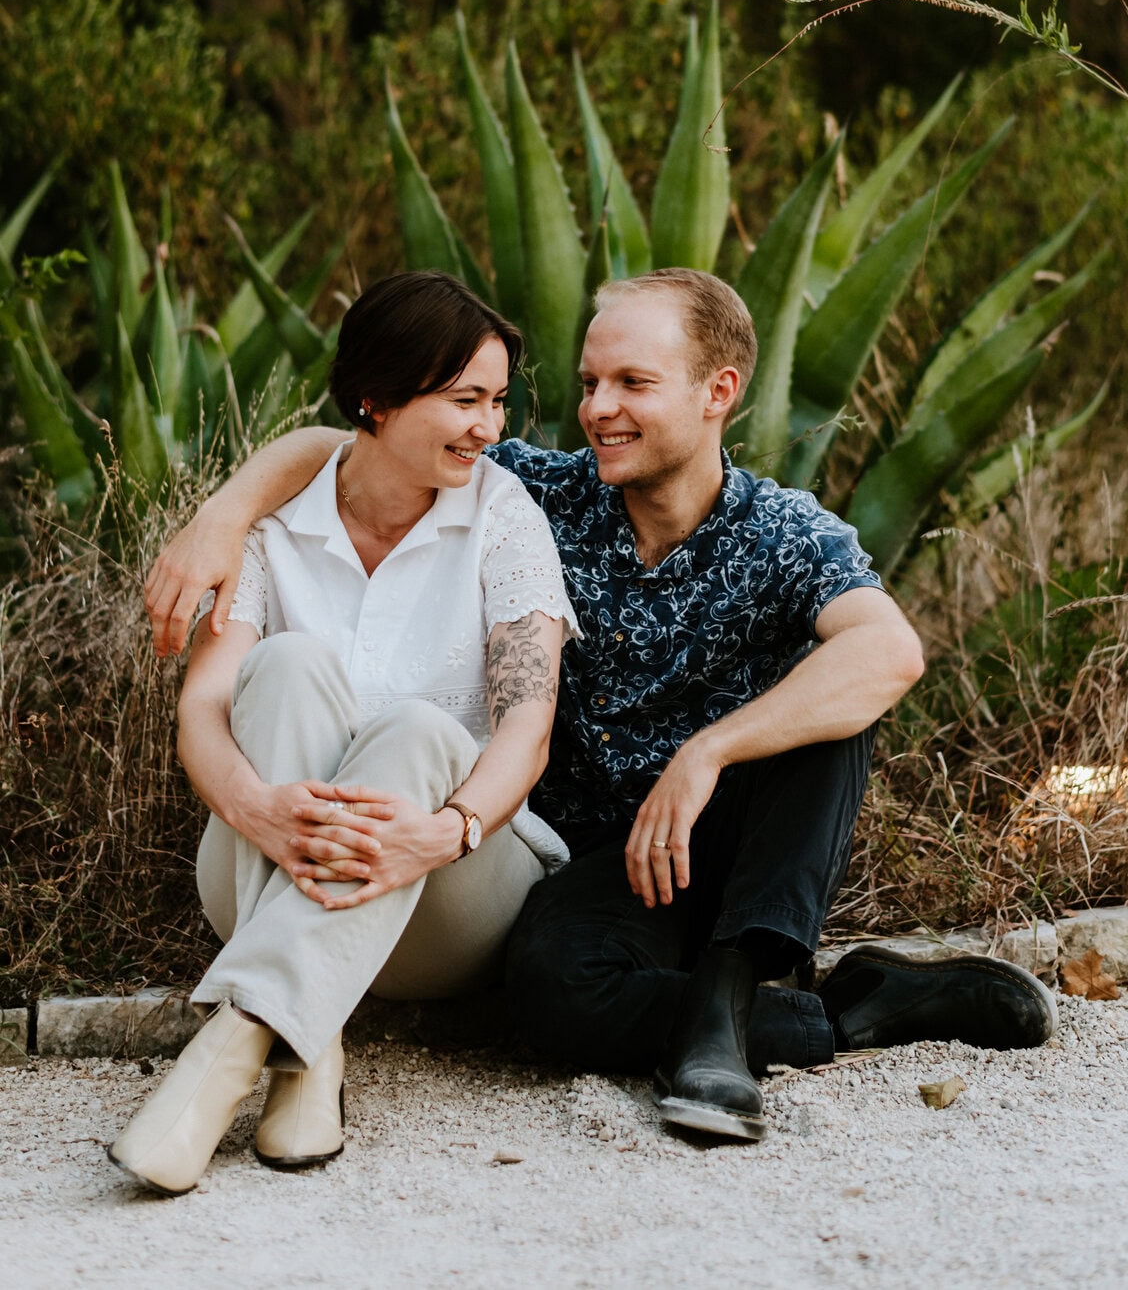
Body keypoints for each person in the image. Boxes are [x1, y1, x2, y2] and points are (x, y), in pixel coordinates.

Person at [146, 268, 1056, 1148]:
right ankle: (841, 1010)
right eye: (589, 382)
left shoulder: (782, 531)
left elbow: (890, 649)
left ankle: (728, 1008)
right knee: (540, 999)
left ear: (718, 391)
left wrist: (705, 754)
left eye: (633, 382)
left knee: (836, 706)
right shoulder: (546, 493)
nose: (597, 408)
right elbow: (361, 439)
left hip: (732, 847)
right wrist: (224, 514)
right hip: (599, 874)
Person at [109, 272, 579, 1194]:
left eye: (497, 401)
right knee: (281, 667)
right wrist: (259, 808)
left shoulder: (504, 514)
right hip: (261, 860)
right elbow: (201, 710)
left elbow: (528, 729)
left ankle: (228, 1058)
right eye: (463, 399)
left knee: (413, 728)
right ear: (376, 396)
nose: (491, 427)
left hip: (452, 886)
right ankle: (304, 1043)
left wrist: (443, 831)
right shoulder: (267, 527)